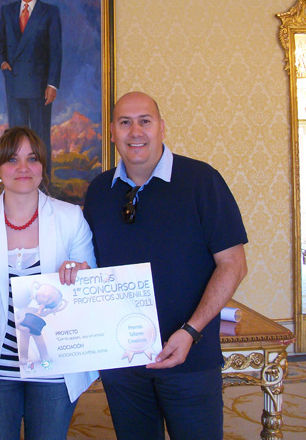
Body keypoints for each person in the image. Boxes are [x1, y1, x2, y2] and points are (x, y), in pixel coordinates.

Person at [83, 92, 248, 439]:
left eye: (145, 120)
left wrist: (191, 331)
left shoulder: (202, 181)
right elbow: (91, 269)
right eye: (124, 122)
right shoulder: (98, 191)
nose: (135, 131)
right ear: (112, 133)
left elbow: (233, 264)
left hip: (191, 358)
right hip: (123, 363)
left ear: (162, 128)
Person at [0, 126, 98, 439]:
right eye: (12, 159)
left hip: (54, 366)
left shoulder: (71, 217)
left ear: (43, 168)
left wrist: (80, 274)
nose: (23, 168)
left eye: (32, 159)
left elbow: (89, 290)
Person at [0, 0, 62, 178]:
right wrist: (3, 62)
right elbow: (0, 44)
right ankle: (17, 182)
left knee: (40, 138)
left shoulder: (49, 12)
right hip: (14, 84)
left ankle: (44, 185)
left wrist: (52, 84)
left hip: (40, 86)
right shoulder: (7, 10)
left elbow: (55, 51)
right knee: (16, 139)